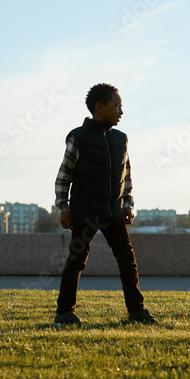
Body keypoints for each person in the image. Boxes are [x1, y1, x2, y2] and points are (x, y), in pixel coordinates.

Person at [52, 83, 157, 327]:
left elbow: (126, 177)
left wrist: (128, 204)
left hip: (115, 213)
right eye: (117, 106)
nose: (121, 112)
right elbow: (63, 176)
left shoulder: (121, 139)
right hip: (85, 212)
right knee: (76, 262)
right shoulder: (78, 137)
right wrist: (63, 208)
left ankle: (137, 312)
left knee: (128, 262)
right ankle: (64, 314)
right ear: (100, 108)